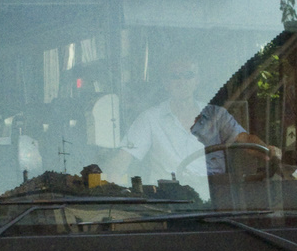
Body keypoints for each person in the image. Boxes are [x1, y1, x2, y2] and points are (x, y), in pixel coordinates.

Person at [112, 59, 278, 189]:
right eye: (175, 76)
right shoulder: (149, 118)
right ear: (165, 83)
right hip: (167, 203)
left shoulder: (216, 115)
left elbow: (245, 140)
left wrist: (269, 151)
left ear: (197, 80)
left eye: (188, 75)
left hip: (213, 200)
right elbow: (123, 159)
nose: (182, 81)